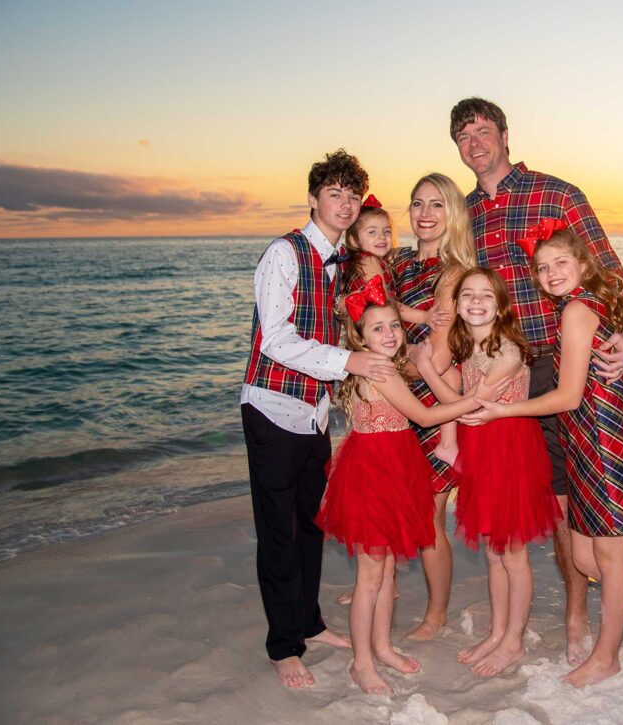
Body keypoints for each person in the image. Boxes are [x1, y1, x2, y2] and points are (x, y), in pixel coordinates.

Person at [449, 96, 623, 663]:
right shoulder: (466, 213)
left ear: (505, 135)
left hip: (562, 366)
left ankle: (577, 613)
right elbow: (456, 292)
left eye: (483, 131)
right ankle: (529, 619)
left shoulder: (557, 195)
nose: (475, 144)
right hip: (502, 371)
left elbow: (614, 276)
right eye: (464, 137)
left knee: (571, 503)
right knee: (521, 504)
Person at [467, 223, 623, 686]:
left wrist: (504, 411)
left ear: (584, 265)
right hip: (588, 436)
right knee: (589, 560)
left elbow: (567, 395)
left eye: (560, 263)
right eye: (542, 268)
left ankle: (606, 658)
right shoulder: (583, 305)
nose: (550, 273)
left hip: (605, 438)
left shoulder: (576, 310)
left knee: (608, 559)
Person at [239, 150, 396, 689]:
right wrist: (349, 362)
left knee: (311, 524)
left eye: (353, 195)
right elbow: (277, 340)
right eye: (335, 193)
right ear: (313, 198)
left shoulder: (342, 262)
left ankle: (307, 623)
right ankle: (283, 646)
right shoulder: (284, 254)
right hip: (272, 406)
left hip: (314, 414)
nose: (346, 203)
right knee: (278, 531)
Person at [317, 288, 509, 693]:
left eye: (393, 326)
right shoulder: (379, 371)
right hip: (373, 474)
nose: (388, 334)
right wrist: (473, 399)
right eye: (377, 328)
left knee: (387, 569)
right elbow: (422, 414)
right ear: (359, 337)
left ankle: (383, 646)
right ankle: (362, 662)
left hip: (394, 467)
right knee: (370, 576)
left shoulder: (390, 364)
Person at [414, 268, 561, 677]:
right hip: (482, 451)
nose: (476, 302)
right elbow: (464, 401)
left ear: (501, 307)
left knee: (513, 554)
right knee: (495, 554)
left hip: (510, 453)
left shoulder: (509, 350)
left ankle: (513, 641)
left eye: (486, 296)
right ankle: (497, 633)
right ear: (457, 304)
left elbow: (472, 407)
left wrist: (427, 369)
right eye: (468, 295)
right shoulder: (470, 347)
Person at [391, 173, 476, 641]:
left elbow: (442, 352)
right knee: (391, 499)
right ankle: (383, 582)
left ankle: (436, 614)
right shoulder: (398, 263)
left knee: (428, 515)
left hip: (432, 399)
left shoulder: (455, 272)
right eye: (417, 203)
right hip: (393, 399)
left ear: (453, 214)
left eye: (437, 205)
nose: (425, 214)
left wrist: (384, 375)